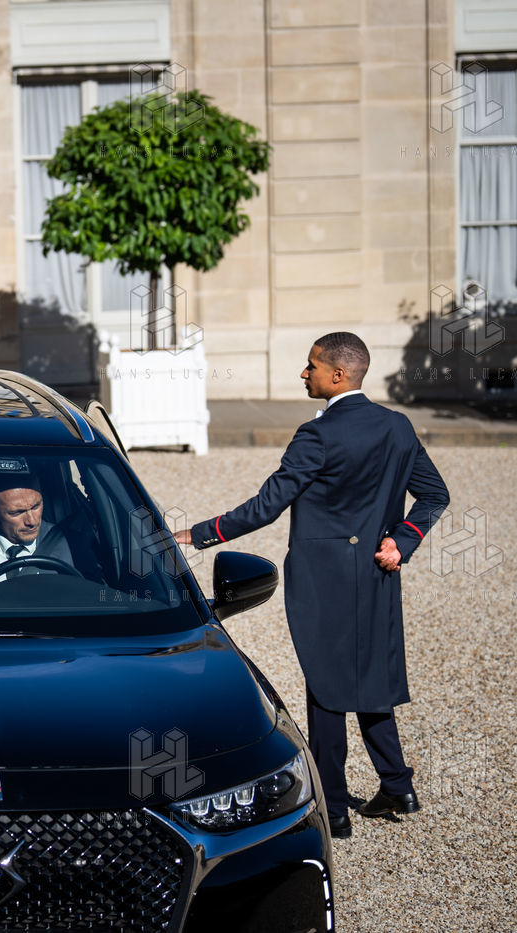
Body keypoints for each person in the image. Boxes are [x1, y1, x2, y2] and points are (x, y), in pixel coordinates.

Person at [173, 332, 448, 839]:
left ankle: (334, 808)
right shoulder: (397, 426)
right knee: (367, 677)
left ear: (338, 376)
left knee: (325, 690)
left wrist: (199, 534)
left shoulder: (316, 435)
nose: (304, 373)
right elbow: (435, 496)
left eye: (311, 366)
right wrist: (401, 541)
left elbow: (266, 507)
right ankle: (398, 786)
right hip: (376, 574)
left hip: (324, 581)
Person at [0, 474, 100, 585]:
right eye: (17, 512)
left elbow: (96, 598)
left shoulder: (74, 546)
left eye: (36, 506)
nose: (32, 521)